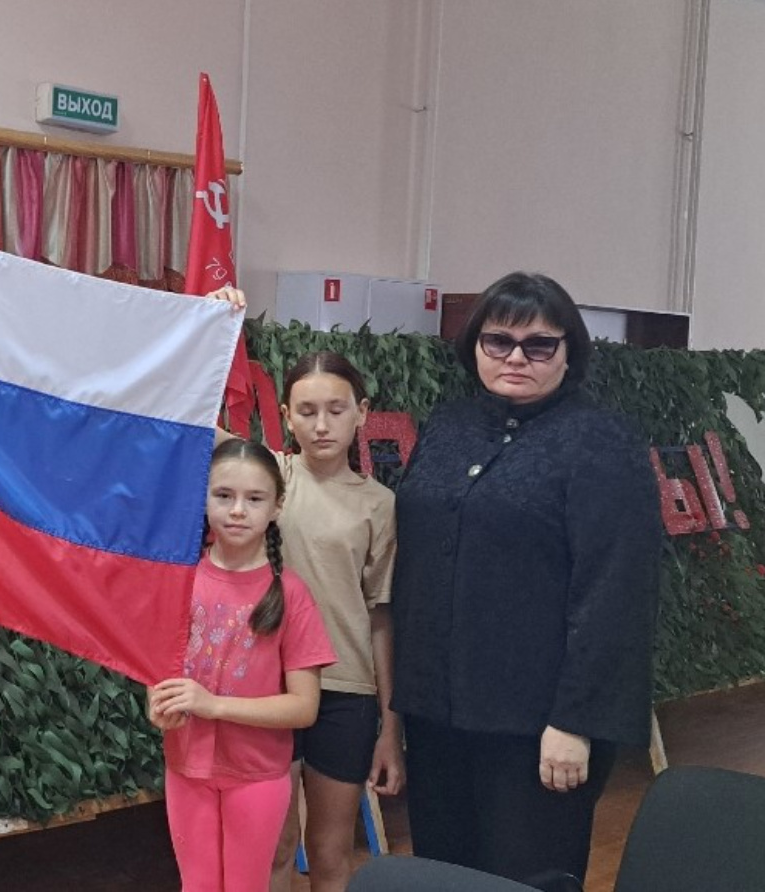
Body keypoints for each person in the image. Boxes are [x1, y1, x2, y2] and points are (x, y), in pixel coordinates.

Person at [390, 271, 661, 884]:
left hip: (539, 726)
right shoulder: (448, 425)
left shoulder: (600, 441)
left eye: (538, 345)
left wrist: (576, 722)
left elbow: (616, 592)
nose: (516, 357)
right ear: (475, 347)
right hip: (437, 713)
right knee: (443, 876)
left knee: (528, 878)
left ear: (569, 353)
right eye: (499, 341)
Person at [150, 438, 337, 892]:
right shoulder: (179, 581)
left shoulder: (290, 594)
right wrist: (158, 705)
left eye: (254, 499)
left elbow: (304, 707)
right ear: (203, 497)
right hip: (186, 769)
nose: (237, 510)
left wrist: (213, 705)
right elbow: (158, 672)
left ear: (276, 507)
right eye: (223, 495)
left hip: (257, 776)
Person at [267, 352, 403, 892]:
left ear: (361, 412)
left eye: (336, 409)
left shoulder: (380, 505)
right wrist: (208, 322)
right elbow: (196, 424)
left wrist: (390, 728)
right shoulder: (270, 478)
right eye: (306, 411)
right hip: (271, 690)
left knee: (330, 853)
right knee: (275, 848)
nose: (321, 425)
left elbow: (380, 616)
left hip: (347, 694)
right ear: (286, 416)